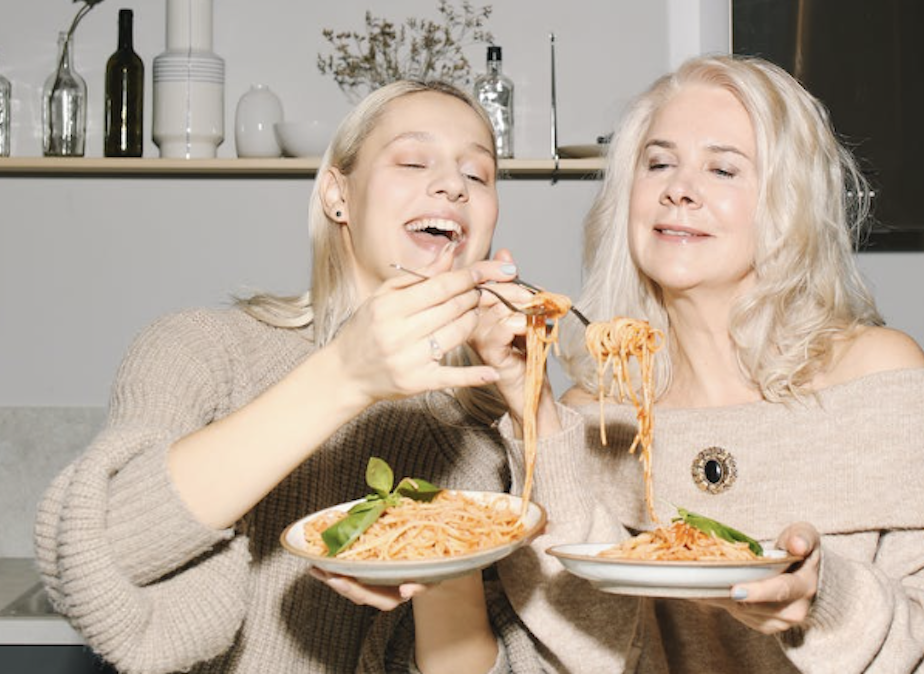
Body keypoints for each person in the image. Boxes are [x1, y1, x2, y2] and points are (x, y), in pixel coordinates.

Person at [471, 55, 924, 672]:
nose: (679, 188)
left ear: (788, 202)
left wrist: (822, 600)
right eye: (659, 162)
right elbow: (574, 652)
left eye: (723, 168)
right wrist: (531, 405)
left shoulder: (879, 374)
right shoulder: (588, 416)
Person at [34, 80, 543, 674]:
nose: (454, 185)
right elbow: (97, 555)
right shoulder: (202, 350)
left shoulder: (485, 440)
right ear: (337, 196)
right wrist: (344, 376)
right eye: (412, 160)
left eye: (478, 176)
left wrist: (440, 555)